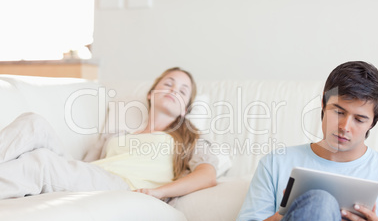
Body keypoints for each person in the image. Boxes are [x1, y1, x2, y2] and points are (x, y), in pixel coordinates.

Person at [233, 61, 378, 221]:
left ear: (373, 122)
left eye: (359, 119)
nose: (345, 126)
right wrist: (286, 217)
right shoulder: (276, 161)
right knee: (320, 202)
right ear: (323, 104)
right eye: (338, 112)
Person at [0, 67, 218, 200]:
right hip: (91, 175)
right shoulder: (117, 135)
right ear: (151, 94)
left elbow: (207, 175)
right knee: (34, 122)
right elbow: (82, 165)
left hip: (124, 185)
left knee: (41, 162)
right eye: (168, 84)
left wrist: (160, 192)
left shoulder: (189, 139)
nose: (173, 90)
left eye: (182, 91)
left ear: (185, 109)